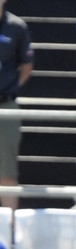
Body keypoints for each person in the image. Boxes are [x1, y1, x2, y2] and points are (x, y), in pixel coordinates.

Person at [0, 0, 33, 211]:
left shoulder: (17, 26)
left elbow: (27, 66)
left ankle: (9, 235)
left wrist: (9, 89)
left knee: (6, 173)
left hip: (6, 105)